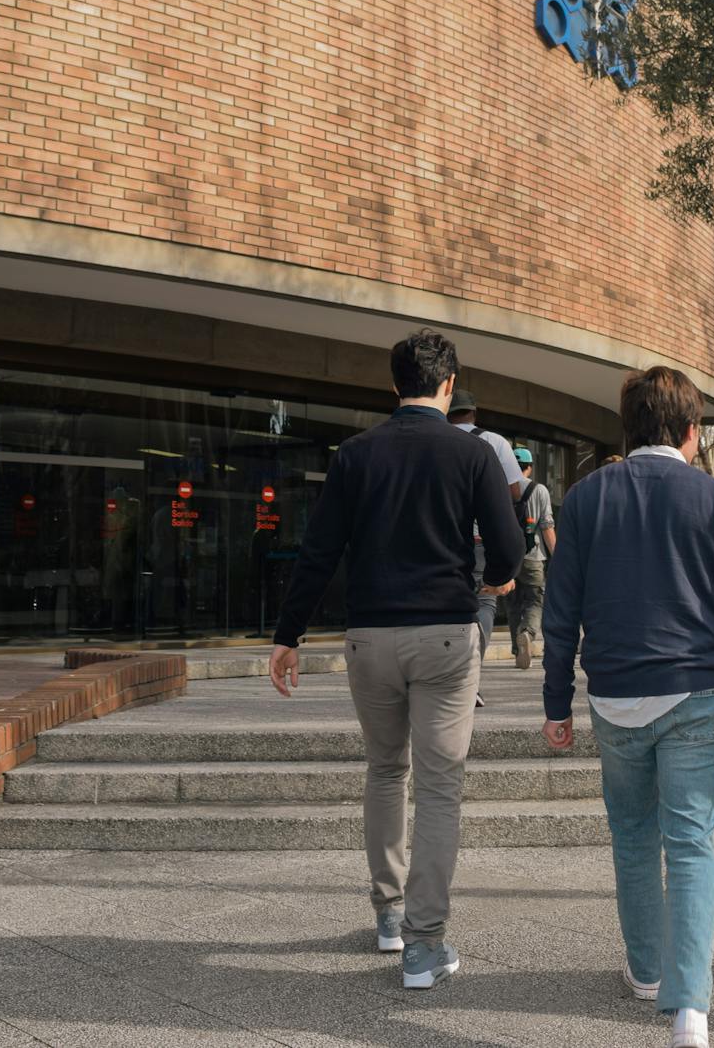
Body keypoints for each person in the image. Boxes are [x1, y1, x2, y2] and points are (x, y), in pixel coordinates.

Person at [269, 330, 523, 991]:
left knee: (386, 769)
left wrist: (287, 634)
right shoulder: (471, 455)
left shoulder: (355, 455)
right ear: (450, 384)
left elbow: (318, 550)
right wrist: (490, 581)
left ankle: (388, 915)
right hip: (443, 633)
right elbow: (507, 547)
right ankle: (424, 943)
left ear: (393, 387)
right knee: (439, 784)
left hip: (369, 637)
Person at [542, 367, 714, 1048]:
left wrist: (555, 701)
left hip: (614, 696)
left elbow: (560, 614)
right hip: (695, 692)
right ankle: (690, 1007)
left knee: (631, 833)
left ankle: (646, 969)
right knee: (691, 840)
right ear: (690, 432)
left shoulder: (585, 499)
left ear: (628, 426)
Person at [448, 388, 524, 703]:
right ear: (474, 413)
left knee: (448, 607)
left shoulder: (436, 440)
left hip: (446, 539)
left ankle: (449, 678)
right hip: (482, 540)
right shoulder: (495, 442)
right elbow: (516, 492)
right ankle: (469, 679)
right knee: (485, 604)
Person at [508, 446, 555, 670]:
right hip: (533, 555)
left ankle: (517, 649)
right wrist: (558, 554)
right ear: (529, 467)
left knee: (512, 601)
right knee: (535, 600)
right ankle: (527, 632)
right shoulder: (540, 490)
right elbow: (546, 526)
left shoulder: (501, 486)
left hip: (507, 556)